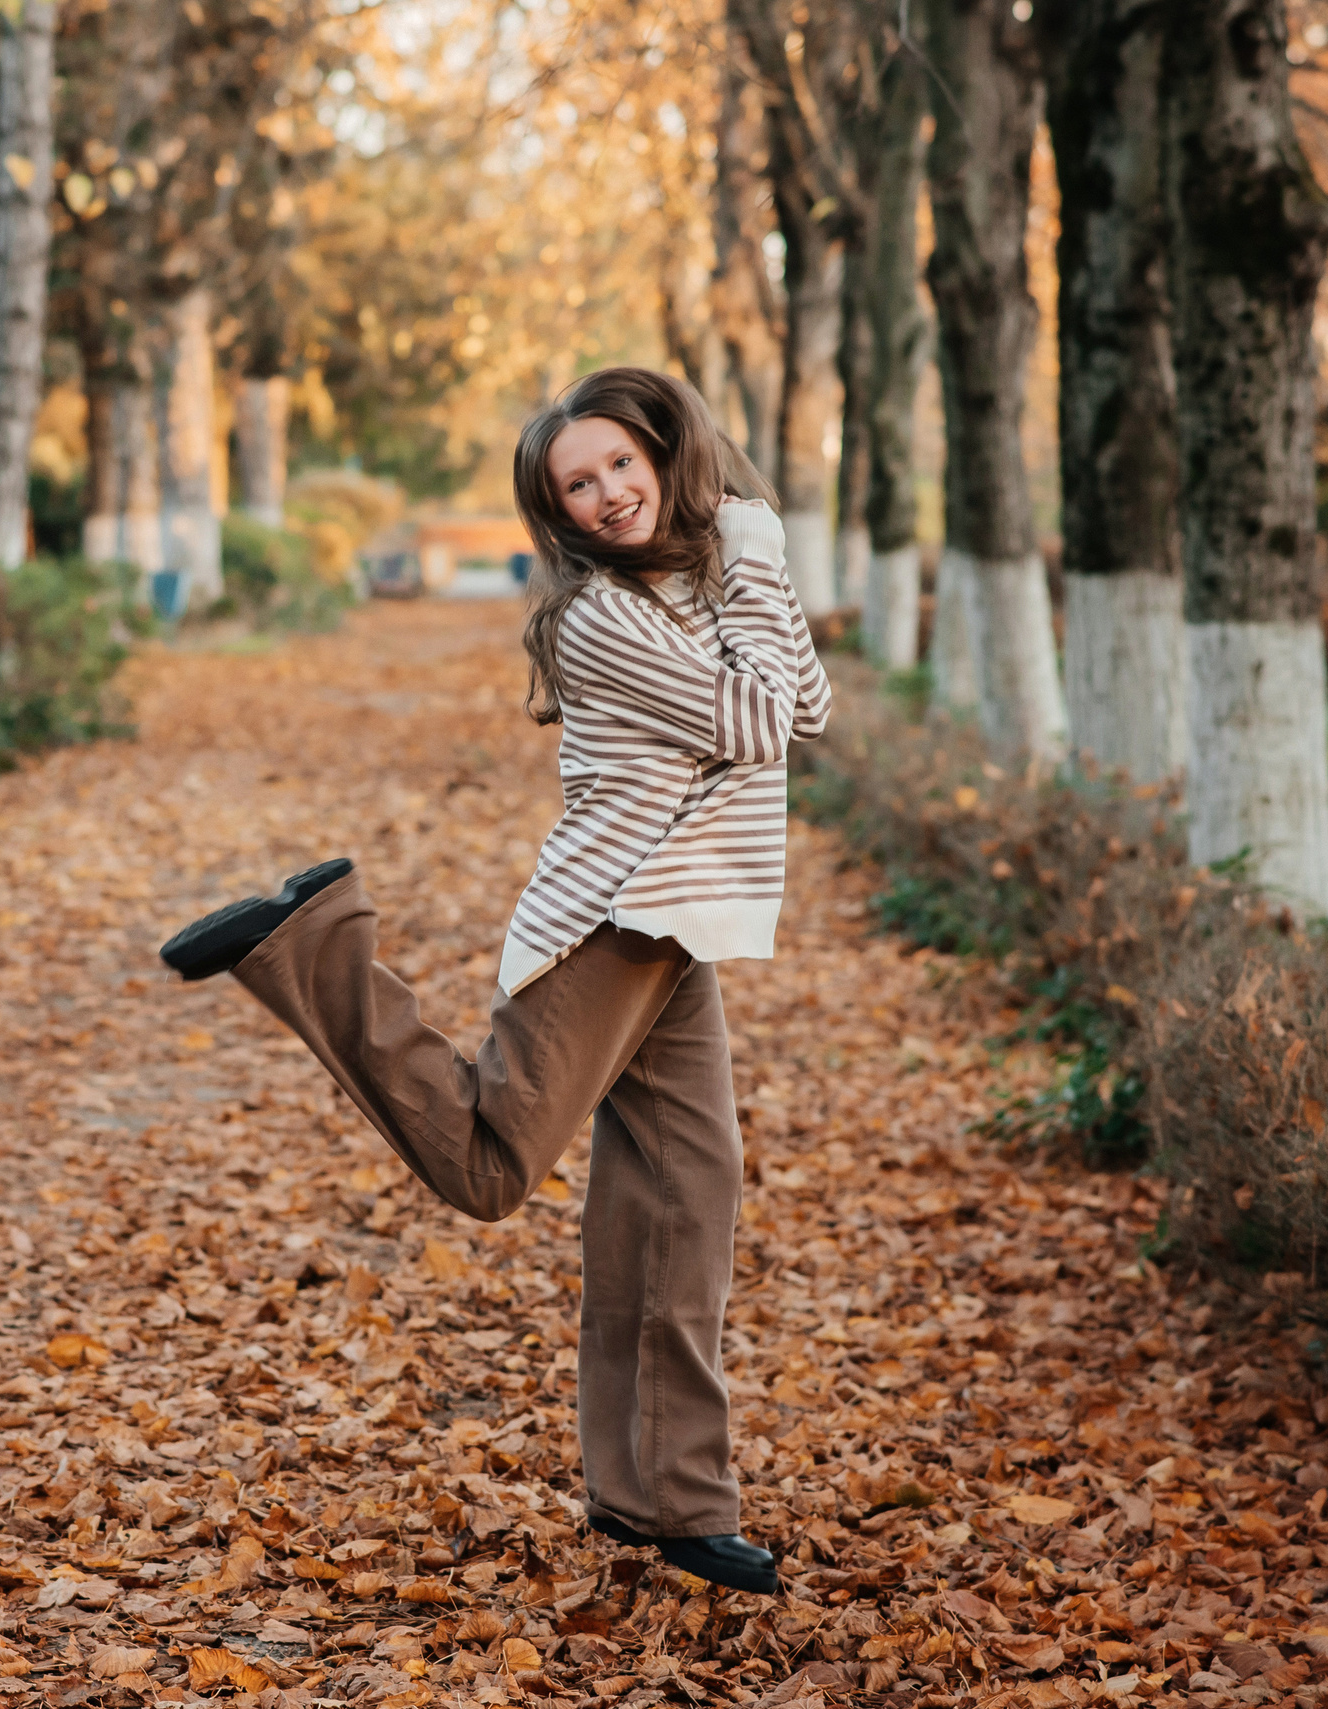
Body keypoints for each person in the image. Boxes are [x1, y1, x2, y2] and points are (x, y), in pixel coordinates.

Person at [159, 367, 832, 1594]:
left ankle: (663, 1497)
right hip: (611, 925)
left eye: (619, 465)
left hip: (681, 930)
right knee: (488, 1169)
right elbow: (758, 725)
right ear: (559, 518)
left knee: (681, 1201)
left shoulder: (705, 573)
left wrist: (745, 542)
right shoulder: (602, 619)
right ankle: (312, 946)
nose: (608, 494)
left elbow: (806, 697)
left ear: (661, 455)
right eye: (578, 487)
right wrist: (750, 545)